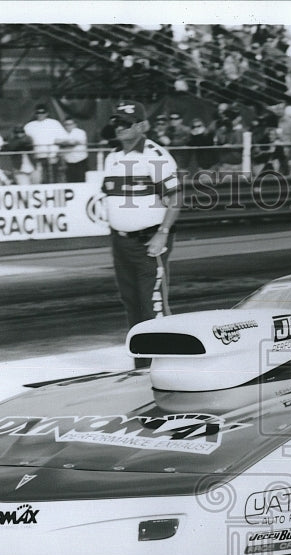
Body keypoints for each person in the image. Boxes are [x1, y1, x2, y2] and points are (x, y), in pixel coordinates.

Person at [100, 101, 181, 368]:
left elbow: (175, 196)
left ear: (141, 125)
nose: (119, 127)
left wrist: (162, 233)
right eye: (117, 122)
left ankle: (167, 365)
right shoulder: (111, 156)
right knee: (131, 303)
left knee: (153, 305)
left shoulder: (155, 156)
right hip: (120, 242)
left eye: (126, 123)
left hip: (149, 242)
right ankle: (142, 367)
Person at [23, 104, 65, 183]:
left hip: (52, 156)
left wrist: (57, 151)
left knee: (53, 178)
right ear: (35, 113)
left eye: (43, 112)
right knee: (39, 179)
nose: (40, 114)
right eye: (38, 112)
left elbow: (62, 138)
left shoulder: (54, 123)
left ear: (47, 113)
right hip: (36, 157)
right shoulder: (29, 126)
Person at [57, 117, 89, 183]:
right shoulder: (62, 133)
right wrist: (68, 143)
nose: (68, 126)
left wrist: (64, 143)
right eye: (66, 124)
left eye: (70, 124)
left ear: (75, 124)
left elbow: (73, 143)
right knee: (70, 181)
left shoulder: (80, 132)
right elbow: (56, 141)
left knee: (81, 181)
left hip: (80, 161)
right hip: (69, 162)